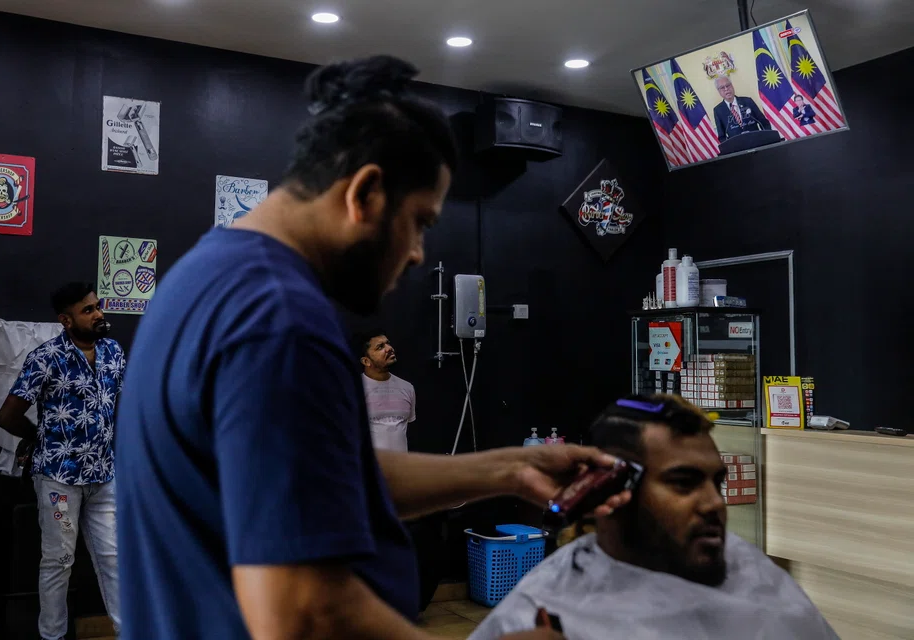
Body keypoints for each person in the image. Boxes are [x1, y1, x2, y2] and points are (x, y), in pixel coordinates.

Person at [114, 54, 629, 640]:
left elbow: (317, 482)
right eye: (420, 222)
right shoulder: (279, 318)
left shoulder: (208, 274)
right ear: (365, 193)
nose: (417, 254)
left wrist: (512, 468)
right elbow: (303, 616)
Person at [469, 394, 838, 639]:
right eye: (683, 483)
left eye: (716, 482)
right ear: (611, 490)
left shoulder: (752, 572)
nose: (714, 504)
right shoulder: (545, 611)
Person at [0, 282, 124, 640]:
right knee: (58, 563)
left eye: (98, 306)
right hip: (58, 478)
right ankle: (52, 636)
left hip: (104, 475)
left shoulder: (113, 351)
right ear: (66, 320)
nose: (99, 314)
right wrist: (38, 436)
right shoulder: (46, 357)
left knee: (115, 560)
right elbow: (7, 416)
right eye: (88, 310)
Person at [358, 329, 416, 452]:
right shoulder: (354, 390)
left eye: (388, 343)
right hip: (368, 469)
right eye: (380, 347)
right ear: (366, 361)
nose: (389, 348)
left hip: (401, 468)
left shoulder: (407, 387)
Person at [712, 75, 772, 142]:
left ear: (732, 86)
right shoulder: (718, 110)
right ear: (718, 91)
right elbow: (722, 136)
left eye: (728, 85)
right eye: (722, 87)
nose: (726, 89)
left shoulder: (748, 101)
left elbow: (764, 123)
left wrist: (767, 140)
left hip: (757, 142)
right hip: (738, 148)